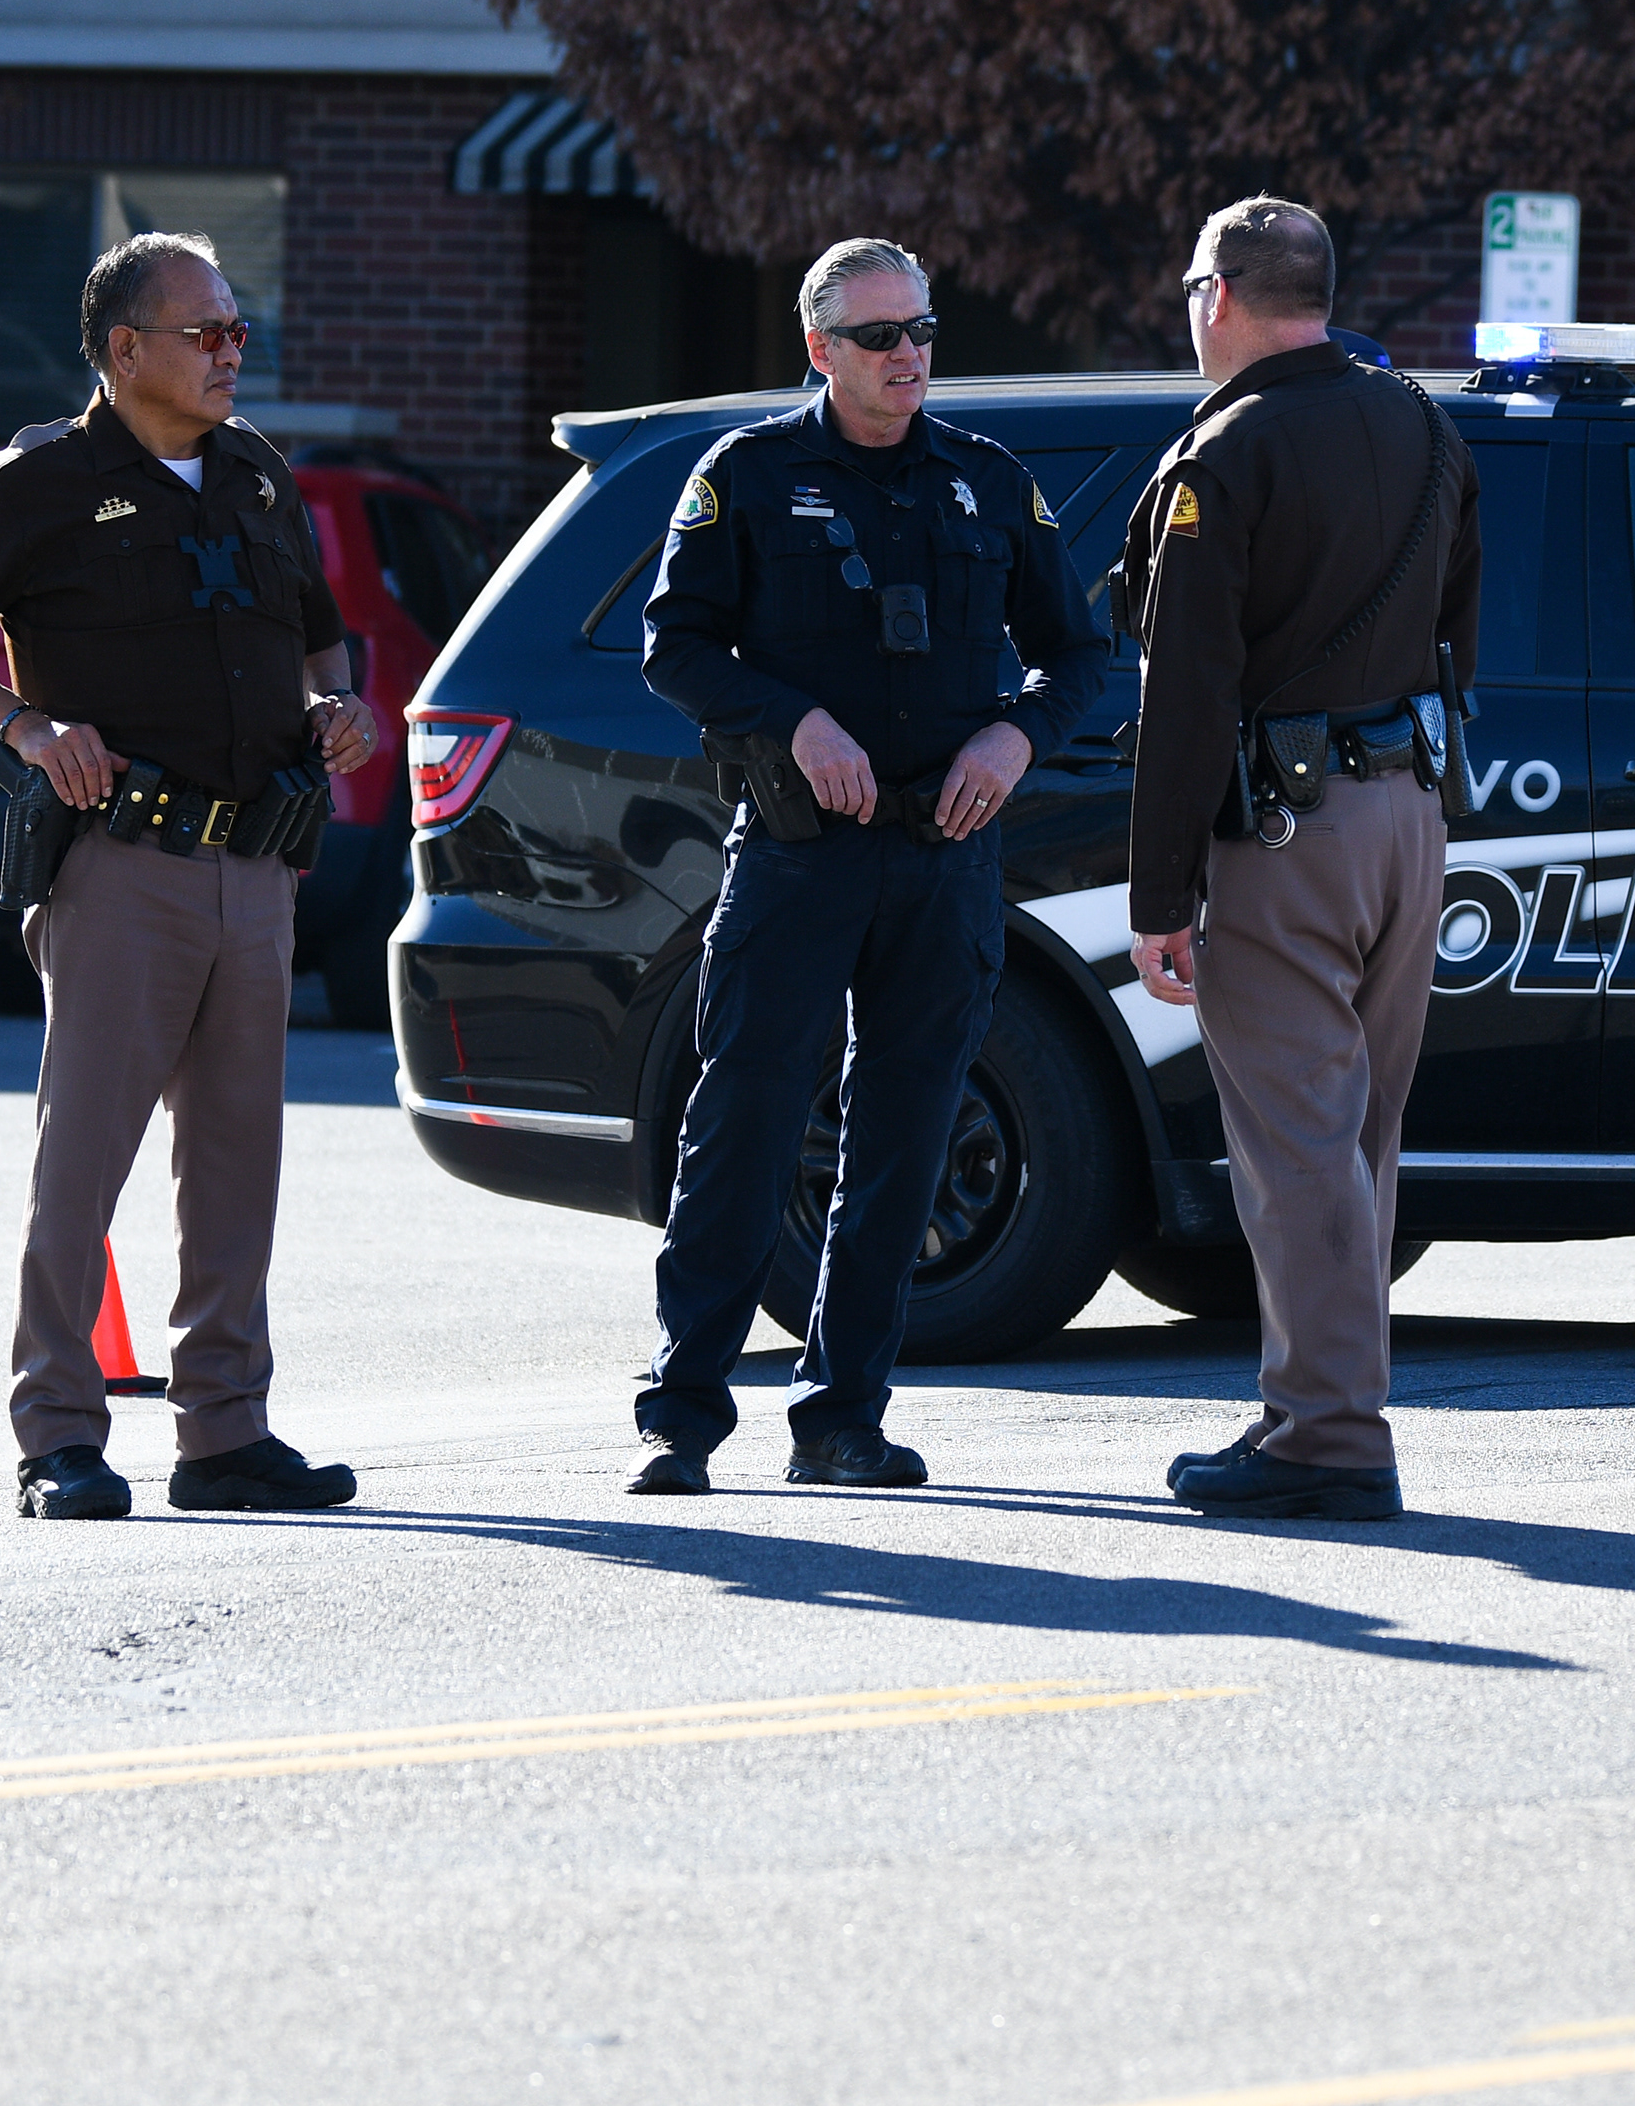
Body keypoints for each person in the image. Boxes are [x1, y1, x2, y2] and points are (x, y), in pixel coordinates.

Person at [0, 232, 377, 1521]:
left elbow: (327, 641)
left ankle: (224, 1433)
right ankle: (58, 1432)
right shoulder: (39, 479)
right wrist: (25, 728)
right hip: (121, 867)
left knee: (235, 1161)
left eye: (236, 328)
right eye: (204, 330)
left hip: (256, 867)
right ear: (124, 349)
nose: (229, 351)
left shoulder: (259, 474)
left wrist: (338, 706)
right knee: (83, 1158)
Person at [626, 239, 1105, 1495]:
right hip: (800, 854)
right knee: (747, 1119)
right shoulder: (752, 473)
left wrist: (1018, 732)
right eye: (880, 336)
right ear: (819, 349)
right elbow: (674, 647)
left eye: (922, 330)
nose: (909, 356)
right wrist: (791, 720)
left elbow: (1083, 657)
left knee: (905, 1136)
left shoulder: (988, 482)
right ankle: (683, 1411)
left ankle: (844, 1415)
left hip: (944, 856)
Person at [1123, 197, 1480, 1522]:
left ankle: (1327, 1435)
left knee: (1299, 1143)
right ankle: (1317, 1406)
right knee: (1357, 1139)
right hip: (1406, 814)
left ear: (1218, 295)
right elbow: (1461, 627)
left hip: (1285, 827)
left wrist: (1160, 892)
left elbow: (1187, 688)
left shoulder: (1229, 454)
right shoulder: (1423, 422)